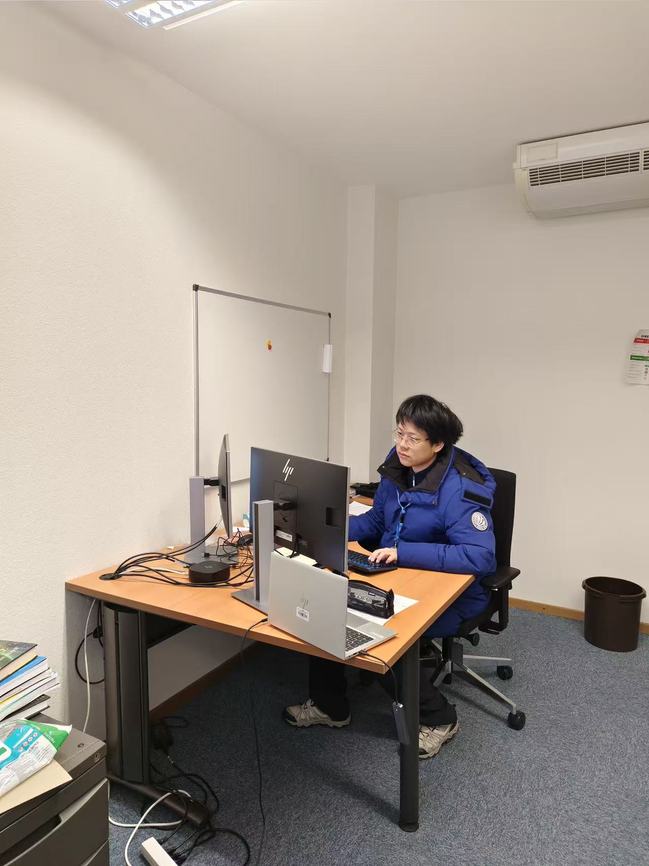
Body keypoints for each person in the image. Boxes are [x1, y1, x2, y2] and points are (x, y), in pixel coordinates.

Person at [283, 394, 497, 759]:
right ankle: (330, 706)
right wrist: (326, 527)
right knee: (327, 605)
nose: (402, 444)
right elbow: (378, 520)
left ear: (437, 444)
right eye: (399, 433)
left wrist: (403, 552)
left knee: (383, 637)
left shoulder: (459, 489)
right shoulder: (398, 465)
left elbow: (480, 556)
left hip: (454, 594)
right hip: (397, 577)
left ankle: (440, 718)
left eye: (413, 438)